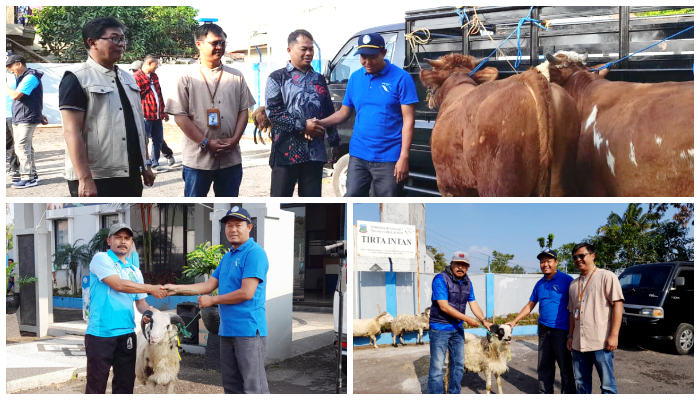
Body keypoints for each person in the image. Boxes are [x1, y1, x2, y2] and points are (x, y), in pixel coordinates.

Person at [163, 206, 270, 393]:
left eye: (238, 225)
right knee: (231, 385)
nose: (233, 229)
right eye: (229, 225)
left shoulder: (254, 253)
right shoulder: (228, 257)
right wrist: (175, 288)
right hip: (227, 329)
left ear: (249, 227)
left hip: (248, 329)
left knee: (254, 387)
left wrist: (213, 301)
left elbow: (247, 292)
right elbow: (207, 286)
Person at [59, 17, 155, 197]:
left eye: (123, 39)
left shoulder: (128, 79)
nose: (121, 44)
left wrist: (146, 165)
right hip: (97, 177)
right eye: (114, 38)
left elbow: (138, 127)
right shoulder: (76, 78)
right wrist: (85, 178)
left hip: (130, 172)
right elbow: (72, 132)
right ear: (92, 42)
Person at [316, 33, 418, 197]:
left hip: (388, 157)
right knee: (352, 199)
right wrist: (320, 123)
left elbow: (408, 121)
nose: (367, 62)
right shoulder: (355, 78)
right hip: (359, 155)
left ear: (383, 53)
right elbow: (343, 113)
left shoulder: (401, 79)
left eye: (373, 57)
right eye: (363, 57)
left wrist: (404, 157)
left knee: (387, 205)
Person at [165, 23, 255, 197]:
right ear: (199, 44)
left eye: (222, 43)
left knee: (229, 206)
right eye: (214, 43)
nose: (220, 47)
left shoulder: (236, 76)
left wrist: (235, 140)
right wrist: (205, 142)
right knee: (194, 207)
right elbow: (180, 116)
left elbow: (244, 110)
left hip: (230, 158)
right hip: (198, 160)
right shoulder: (185, 76)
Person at [84, 223, 168, 394]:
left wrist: (150, 314)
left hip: (127, 335)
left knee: (125, 386)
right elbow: (118, 285)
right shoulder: (101, 259)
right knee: (96, 385)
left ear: (131, 243)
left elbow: (141, 303)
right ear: (109, 240)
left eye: (127, 238)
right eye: (118, 237)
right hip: (101, 334)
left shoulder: (134, 271)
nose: (123, 241)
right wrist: (152, 288)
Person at [265, 29, 341, 196]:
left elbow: (328, 111)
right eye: (304, 49)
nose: (309, 53)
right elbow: (274, 113)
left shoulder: (319, 79)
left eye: (311, 49)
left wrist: (335, 143)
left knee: (311, 202)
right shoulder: (277, 78)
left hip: (314, 153)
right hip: (285, 152)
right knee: (279, 201)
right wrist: (303, 125)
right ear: (289, 50)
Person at [506, 249, 576, 394]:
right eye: (542, 262)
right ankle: (545, 393)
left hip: (561, 330)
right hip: (543, 329)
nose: (545, 264)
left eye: (548, 261)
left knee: (565, 366)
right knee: (544, 365)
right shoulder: (540, 284)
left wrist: (571, 333)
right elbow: (530, 305)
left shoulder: (567, 281)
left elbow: (575, 306)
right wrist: (514, 321)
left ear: (556, 262)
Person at [428, 251, 490, 394]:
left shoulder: (468, 282)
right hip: (439, 328)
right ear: (451, 264)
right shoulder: (441, 279)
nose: (461, 267)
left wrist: (484, 320)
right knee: (437, 368)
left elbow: (473, 303)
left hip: (457, 329)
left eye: (464, 265)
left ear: (468, 267)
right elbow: (443, 306)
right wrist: (467, 319)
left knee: (459, 365)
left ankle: (454, 393)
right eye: (458, 264)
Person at [567, 243, 624, 394]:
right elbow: (572, 313)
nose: (578, 259)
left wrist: (614, 336)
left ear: (592, 256)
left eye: (581, 256)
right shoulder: (573, 284)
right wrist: (570, 335)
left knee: (607, 385)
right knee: (582, 384)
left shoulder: (607, 276)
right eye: (575, 257)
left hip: (601, 343)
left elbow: (618, 305)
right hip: (579, 345)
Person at [133, 54, 176, 172]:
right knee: (144, 140)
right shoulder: (136, 77)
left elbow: (159, 94)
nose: (157, 67)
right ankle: (143, 165)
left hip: (157, 115)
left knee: (158, 140)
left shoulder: (154, 76)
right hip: (145, 115)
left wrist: (163, 111)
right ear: (149, 64)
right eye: (156, 64)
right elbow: (135, 97)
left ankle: (154, 164)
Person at [5, 55, 42, 188]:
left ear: (18, 64)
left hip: (26, 117)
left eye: (10, 67)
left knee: (21, 146)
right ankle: (32, 175)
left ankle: (28, 178)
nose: (9, 70)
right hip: (19, 116)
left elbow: (15, 95)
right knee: (26, 147)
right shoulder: (22, 77)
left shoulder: (30, 77)